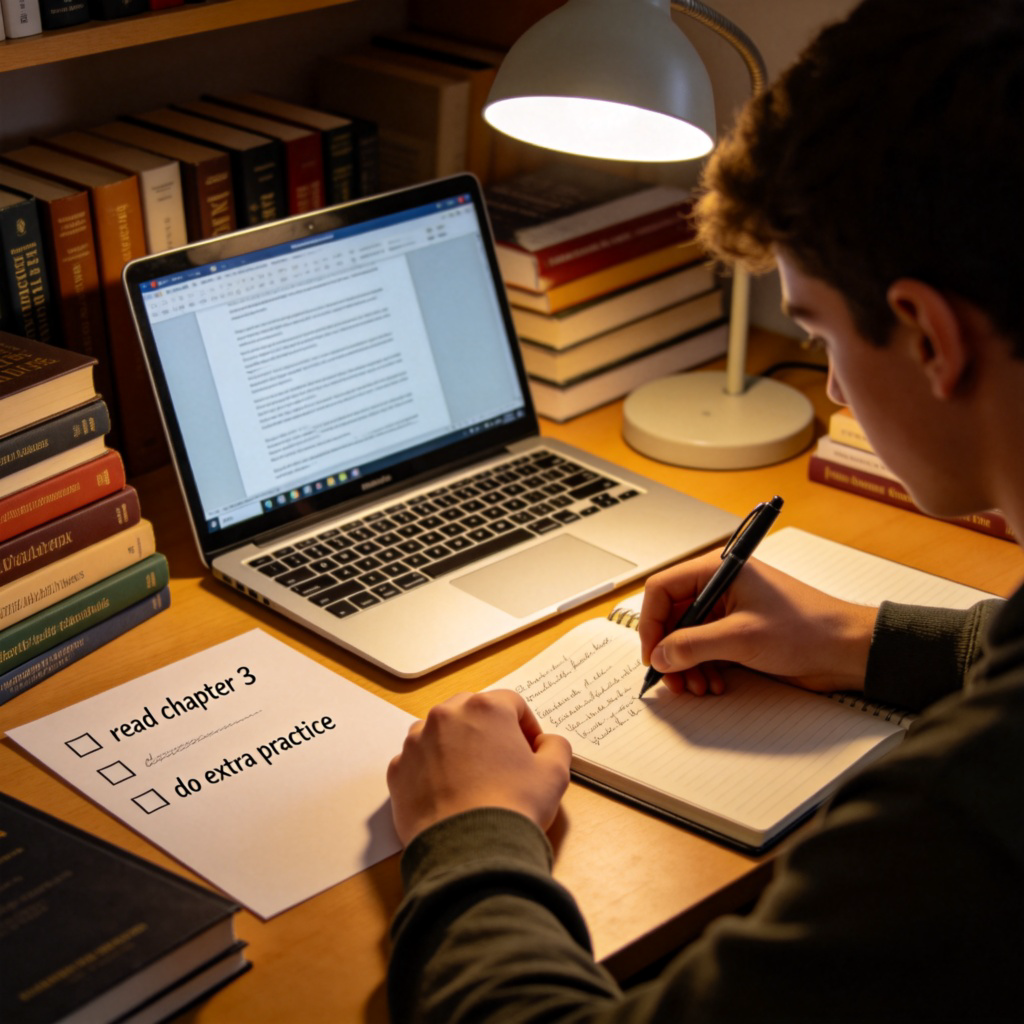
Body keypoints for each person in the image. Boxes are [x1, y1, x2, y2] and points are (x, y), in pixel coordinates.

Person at [384, 0, 1024, 1020]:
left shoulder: (960, 817)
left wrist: (469, 830)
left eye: (814, 333)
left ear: (925, 335)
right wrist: (853, 638)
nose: (835, 391)